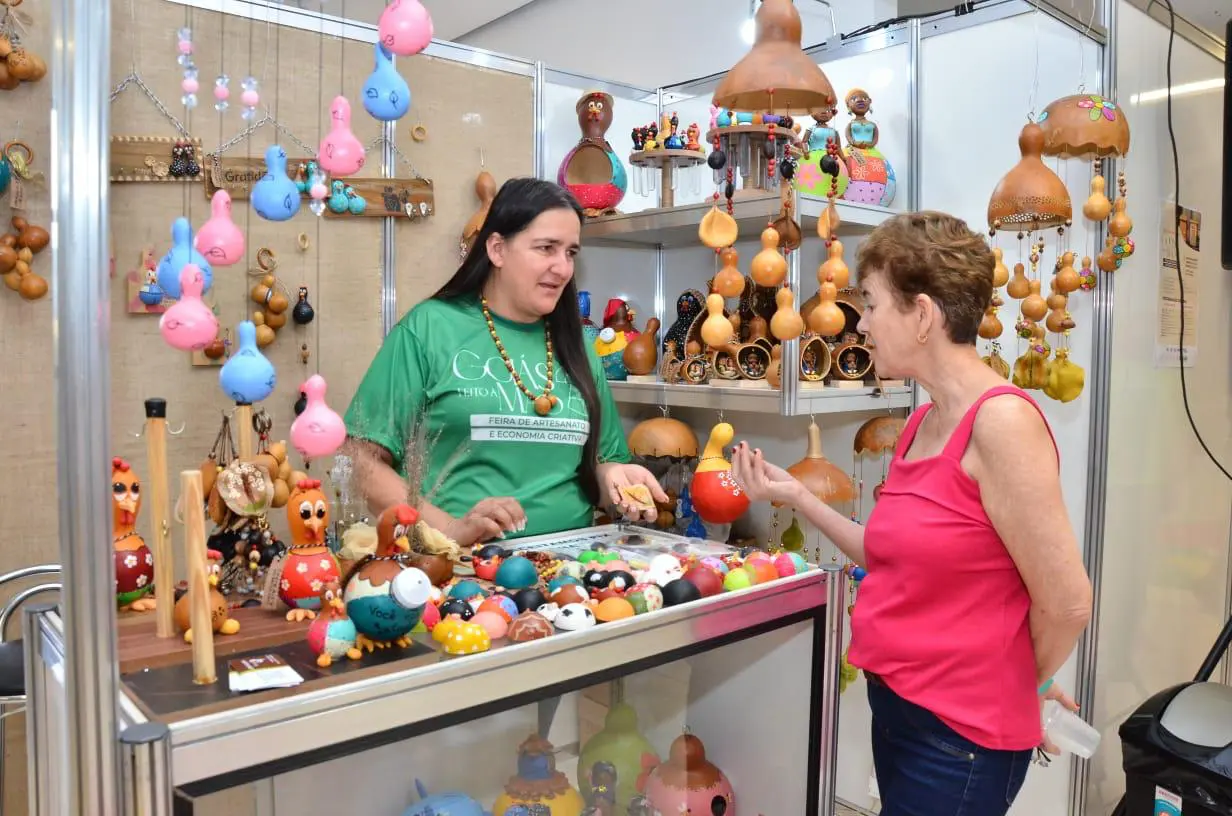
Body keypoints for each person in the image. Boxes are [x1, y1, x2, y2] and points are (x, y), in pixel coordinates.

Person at [731, 211, 1093, 816]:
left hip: (960, 740)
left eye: (870, 305)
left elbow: (1068, 602)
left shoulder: (1001, 423)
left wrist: (1019, 678)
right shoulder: (924, 421)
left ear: (922, 315)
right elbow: (889, 555)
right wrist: (797, 497)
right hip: (899, 709)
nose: (862, 323)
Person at [344, 177, 667, 546]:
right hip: (456, 569)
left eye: (571, 253)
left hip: (573, 568)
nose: (563, 268)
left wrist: (619, 479)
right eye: (546, 248)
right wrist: (448, 530)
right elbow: (359, 460)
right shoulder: (430, 328)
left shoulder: (575, 345)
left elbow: (603, 461)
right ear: (497, 249)